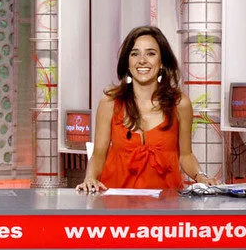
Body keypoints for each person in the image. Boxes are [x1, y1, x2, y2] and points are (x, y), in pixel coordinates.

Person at [75, 26, 213, 193]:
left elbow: (186, 155)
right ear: (127, 62)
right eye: (135, 54)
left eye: (150, 53)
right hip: (116, 202)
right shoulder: (110, 103)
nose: (142, 60)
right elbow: (98, 154)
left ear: (162, 62)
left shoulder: (180, 104)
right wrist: (90, 178)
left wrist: (201, 177)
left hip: (165, 203)